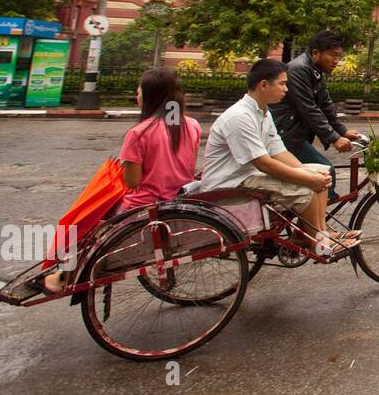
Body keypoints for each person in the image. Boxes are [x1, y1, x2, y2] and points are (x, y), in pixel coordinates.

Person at [39, 67, 201, 295]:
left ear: (150, 96)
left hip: (144, 204)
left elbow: (133, 182)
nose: (137, 95)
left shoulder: (138, 133)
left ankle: (64, 276)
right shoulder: (192, 125)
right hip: (177, 199)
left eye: (139, 91)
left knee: (87, 220)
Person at [201, 58, 357, 251]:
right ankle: (319, 242)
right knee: (306, 188)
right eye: (282, 84)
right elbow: (264, 163)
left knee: (322, 172)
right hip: (231, 182)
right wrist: (306, 178)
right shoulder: (240, 117)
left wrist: (310, 174)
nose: (286, 89)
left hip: (249, 176)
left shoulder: (263, 113)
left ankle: (315, 234)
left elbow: (279, 152)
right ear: (264, 85)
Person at [270, 30, 362, 201]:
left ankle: (312, 219)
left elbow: (325, 104)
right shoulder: (299, 70)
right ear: (315, 53)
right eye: (332, 55)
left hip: (294, 133)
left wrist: (342, 131)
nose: (336, 61)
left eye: (339, 56)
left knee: (321, 175)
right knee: (325, 171)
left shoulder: (315, 71)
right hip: (285, 135)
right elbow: (309, 109)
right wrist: (334, 138)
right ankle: (315, 223)